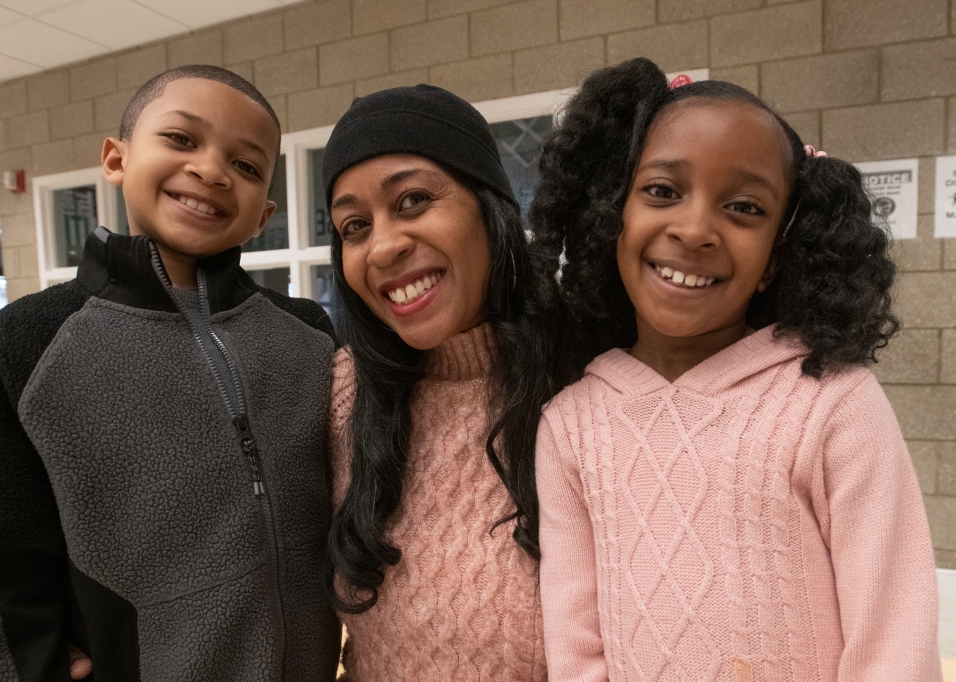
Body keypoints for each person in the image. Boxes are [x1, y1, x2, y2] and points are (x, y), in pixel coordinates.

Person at [531, 58, 942, 681]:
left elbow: (893, 633)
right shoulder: (570, 426)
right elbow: (576, 646)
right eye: (663, 191)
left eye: (744, 207)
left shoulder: (831, 400)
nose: (695, 230)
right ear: (610, 216)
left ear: (778, 257)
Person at [0, 65, 340, 682]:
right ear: (116, 158)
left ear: (265, 213)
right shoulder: (24, 345)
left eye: (247, 166)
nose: (210, 170)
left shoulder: (310, 340)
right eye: (181, 139)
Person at [322, 84, 560, 680]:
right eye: (353, 226)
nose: (382, 247)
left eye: (412, 201)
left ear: (490, 207)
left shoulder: (587, 384)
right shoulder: (342, 395)